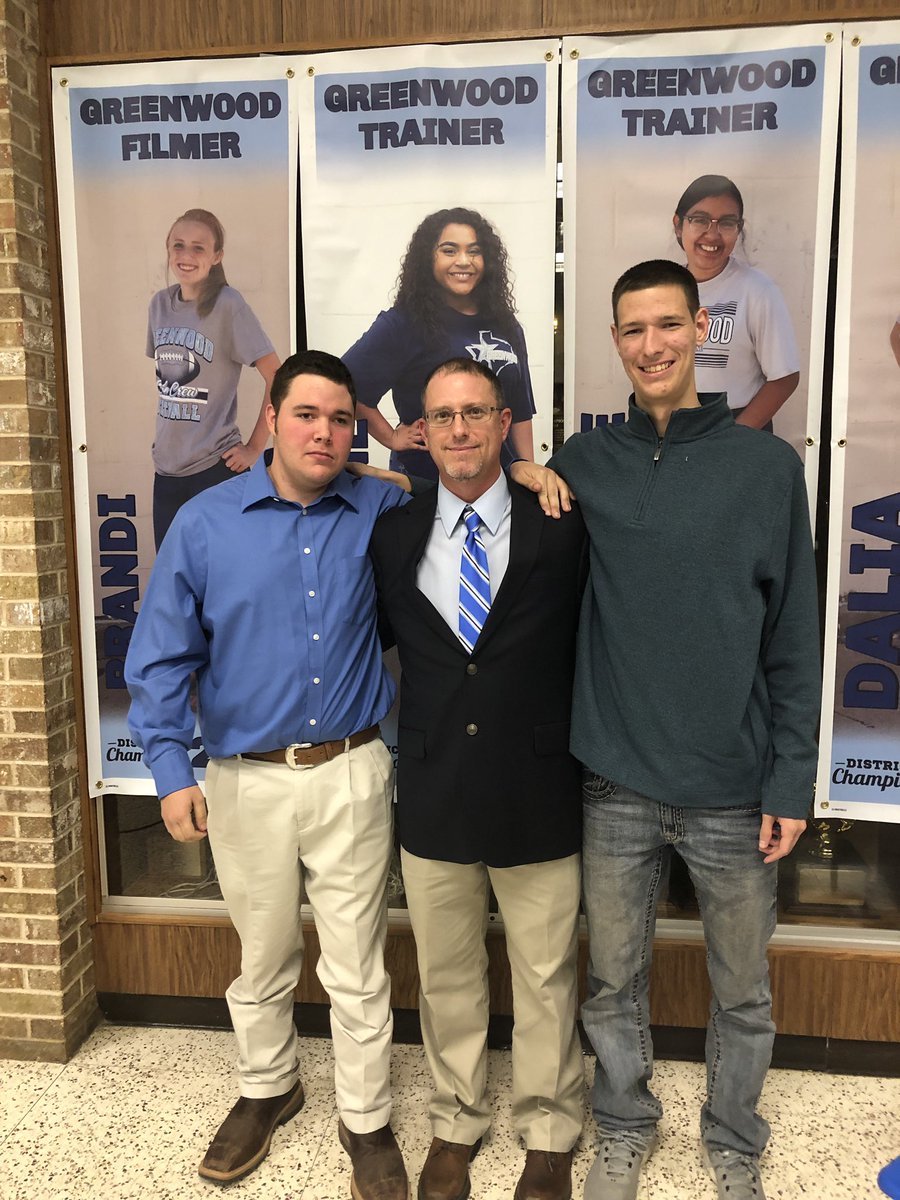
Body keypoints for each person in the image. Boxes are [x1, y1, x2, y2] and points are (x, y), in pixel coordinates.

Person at [548, 260, 820, 1200]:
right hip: (616, 781)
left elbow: (794, 636)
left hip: (734, 790)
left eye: (669, 324)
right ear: (614, 342)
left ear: (702, 328)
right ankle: (624, 1126)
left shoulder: (767, 467)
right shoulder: (585, 462)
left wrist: (792, 782)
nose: (652, 345)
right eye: (632, 330)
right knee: (611, 984)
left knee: (743, 991)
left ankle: (736, 1140)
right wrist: (524, 474)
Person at [125, 350, 410, 1199]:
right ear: (272, 420)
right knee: (263, 954)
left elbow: (472, 507)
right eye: (306, 415)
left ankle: (366, 1119)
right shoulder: (207, 524)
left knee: (358, 962)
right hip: (244, 778)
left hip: (353, 770)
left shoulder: (383, 511)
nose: (324, 432)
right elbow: (161, 654)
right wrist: (171, 770)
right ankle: (267, 1087)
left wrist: (525, 469)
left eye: (340, 419)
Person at [368, 357, 585, 1200]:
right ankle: (455, 1121)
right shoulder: (394, 530)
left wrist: (541, 471)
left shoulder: (560, 519)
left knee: (543, 972)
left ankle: (549, 1130)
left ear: (503, 423)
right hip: (434, 785)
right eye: (442, 417)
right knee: (448, 970)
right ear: (421, 431)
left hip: (537, 784)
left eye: (476, 414)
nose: (458, 430)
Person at [344, 207, 536, 479]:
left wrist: (526, 467)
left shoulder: (507, 325)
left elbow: (520, 411)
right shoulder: (403, 323)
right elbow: (343, 385)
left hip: (495, 479)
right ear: (428, 259)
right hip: (423, 480)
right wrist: (391, 437)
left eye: (474, 251)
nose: (463, 261)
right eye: (449, 250)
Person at [147, 207, 281, 548]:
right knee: (174, 582)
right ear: (167, 249)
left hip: (215, 470)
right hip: (166, 472)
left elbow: (279, 376)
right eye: (178, 245)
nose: (186, 255)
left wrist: (255, 447)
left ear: (216, 256)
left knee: (223, 582)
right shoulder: (159, 305)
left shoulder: (228, 304)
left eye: (198, 248)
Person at [673, 175, 800, 430]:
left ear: (739, 229)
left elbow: (784, 377)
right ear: (678, 225)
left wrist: (736, 438)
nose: (712, 234)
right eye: (699, 220)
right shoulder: (665, 287)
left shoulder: (757, 290)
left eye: (727, 223)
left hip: (735, 425)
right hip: (674, 426)